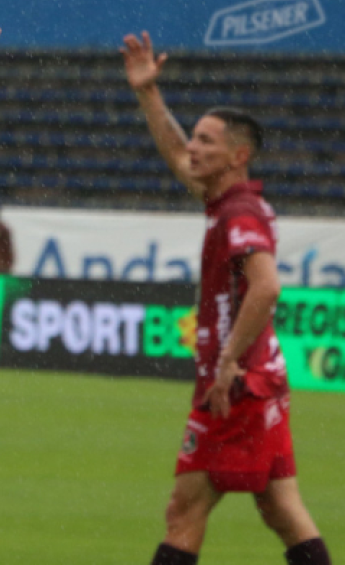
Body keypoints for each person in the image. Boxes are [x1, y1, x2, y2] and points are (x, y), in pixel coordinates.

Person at [122, 32, 332, 565]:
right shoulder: (227, 201)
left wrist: (228, 361)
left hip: (237, 384)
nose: (193, 148)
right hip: (258, 379)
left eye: (207, 142)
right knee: (281, 507)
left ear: (238, 156)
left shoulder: (239, 214)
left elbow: (267, 286)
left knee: (184, 511)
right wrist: (149, 94)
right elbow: (176, 157)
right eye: (195, 137)